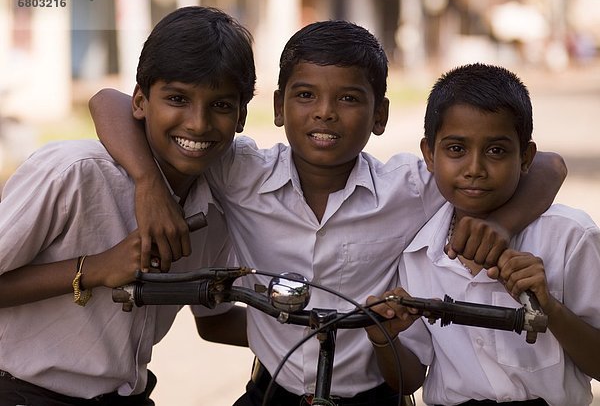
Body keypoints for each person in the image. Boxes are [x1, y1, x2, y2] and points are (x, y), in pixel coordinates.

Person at [88, 22, 566, 405]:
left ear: (379, 116)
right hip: (270, 390)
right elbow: (107, 100)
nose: (325, 113)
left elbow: (547, 164)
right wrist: (148, 183)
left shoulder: (410, 187)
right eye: (305, 95)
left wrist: (502, 224)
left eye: (349, 98)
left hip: (376, 394)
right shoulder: (239, 172)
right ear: (278, 107)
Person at [0, 6, 255, 405]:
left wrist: (325, 332)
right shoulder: (75, 174)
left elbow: (214, 321)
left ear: (241, 116)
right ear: (140, 101)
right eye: (177, 99)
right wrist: (96, 268)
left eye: (221, 105)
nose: (198, 123)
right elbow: (104, 98)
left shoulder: (218, 200)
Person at [366, 63, 600, 406]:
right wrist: (383, 338)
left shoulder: (570, 237)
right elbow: (409, 378)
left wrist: (549, 306)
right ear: (429, 154)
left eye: (496, 151)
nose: (475, 169)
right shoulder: (418, 252)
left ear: (526, 157)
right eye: (456, 149)